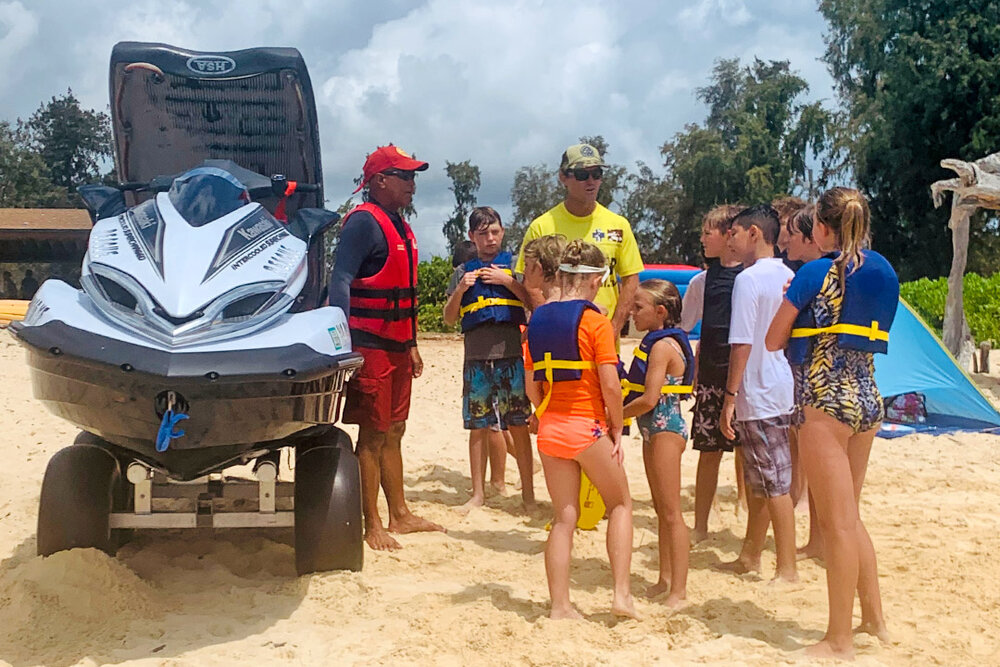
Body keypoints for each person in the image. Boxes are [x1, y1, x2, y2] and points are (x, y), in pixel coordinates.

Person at [766, 187, 897, 659]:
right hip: (867, 396)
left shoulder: (815, 272)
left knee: (837, 524)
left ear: (821, 229)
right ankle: (874, 620)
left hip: (824, 399)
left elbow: (773, 339)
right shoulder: (884, 270)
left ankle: (838, 639)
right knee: (851, 517)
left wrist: (797, 304)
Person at [328, 144, 444, 551]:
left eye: (413, 176)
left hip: (397, 346)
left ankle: (400, 514)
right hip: (370, 346)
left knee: (396, 429)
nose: (413, 185)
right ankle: (372, 523)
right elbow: (340, 280)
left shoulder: (398, 224)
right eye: (406, 176)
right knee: (373, 435)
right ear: (380, 181)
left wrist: (411, 343)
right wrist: (342, 341)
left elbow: (404, 295)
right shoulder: (363, 223)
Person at [525, 239, 636, 620]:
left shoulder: (536, 320)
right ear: (595, 279)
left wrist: (542, 413)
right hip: (586, 426)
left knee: (563, 518)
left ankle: (560, 607)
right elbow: (609, 383)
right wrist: (617, 429)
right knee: (620, 503)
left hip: (551, 428)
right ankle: (621, 595)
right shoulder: (594, 321)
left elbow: (530, 385)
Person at [717, 205, 798, 583]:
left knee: (773, 484)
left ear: (753, 233)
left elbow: (741, 343)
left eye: (733, 232)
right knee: (764, 481)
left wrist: (730, 396)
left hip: (759, 387)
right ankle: (751, 554)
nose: (729, 238)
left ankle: (787, 567)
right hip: (782, 383)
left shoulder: (748, 280)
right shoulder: (788, 274)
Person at [443, 206, 535, 511]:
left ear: (503, 231)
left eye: (495, 231)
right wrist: (461, 289)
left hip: (510, 356)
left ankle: (528, 496)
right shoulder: (462, 272)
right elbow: (449, 318)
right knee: (478, 426)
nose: (490, 238)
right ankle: (478, 494)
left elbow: (533, 302)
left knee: (518, 425)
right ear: (472, 237)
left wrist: (507, 281)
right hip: (476, 359)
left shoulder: (514, 267)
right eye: (483, 234)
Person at [515, 143, 643, 336]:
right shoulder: (541, 226)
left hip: (601, 339)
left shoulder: (619, 225)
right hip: (557, 338)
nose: (591, 181)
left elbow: (631, 279)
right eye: (582, 175)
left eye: (597, 174)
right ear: (563, 177)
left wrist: (614, 327)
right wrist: (551, 324)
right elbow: (529, 284)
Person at [622, 279, 695, 608]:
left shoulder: (664, 347)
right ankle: (665, 579)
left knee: (671, 513)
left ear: (660, 312)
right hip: (653, 428)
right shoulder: (657, 342)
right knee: (660, 509)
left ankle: (678, 590)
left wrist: (615, 415)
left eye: (639, 308)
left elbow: (650, 398)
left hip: (666, 426)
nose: (633, 313)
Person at [689, 204, 746, 544]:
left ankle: (746, 507)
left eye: (707, 232)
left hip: (744, 380)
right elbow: (688, 325)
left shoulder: (750, 276)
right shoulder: (702, 279)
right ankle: (700, 524)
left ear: (728, 236)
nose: (702, 238)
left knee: (748, 451)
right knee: (708, 451)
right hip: (711, 376)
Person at [784, 204, 826, 561]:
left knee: (816, 462)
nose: (785, 240)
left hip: (809, 374)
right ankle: (819, 538)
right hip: (822, 374)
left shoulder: (811, 275)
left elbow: (774, 336)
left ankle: (819, 539)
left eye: (792, 234)